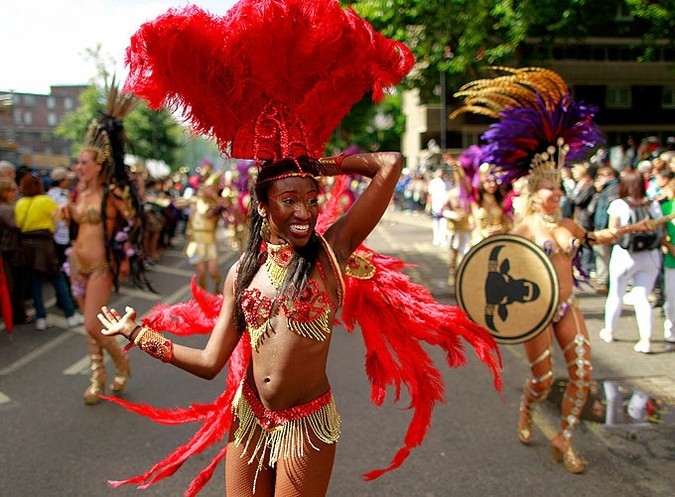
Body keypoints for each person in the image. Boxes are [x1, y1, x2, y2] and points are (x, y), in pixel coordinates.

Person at [94, 1, 502, 495]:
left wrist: (317, 163)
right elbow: (209, 365)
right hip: (248, 418)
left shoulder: (331, 254)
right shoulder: (242, 272)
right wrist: (140, 335)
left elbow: (389, 164)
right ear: (263, 206)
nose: (306, 211)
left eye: (312, 199)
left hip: (304, 428)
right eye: (290, 199)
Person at [452, 66, 643, 474]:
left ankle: (565, 437)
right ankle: (527, 411)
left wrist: (628, 228)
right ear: (535, 191)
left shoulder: (570, 225)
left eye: (559, 188)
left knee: (582, 374)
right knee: (542, 380)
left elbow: (595, 239)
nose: (556, 194)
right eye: (549, 189)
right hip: (534, 311)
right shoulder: (522, 228)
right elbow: (492, 265)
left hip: (567, 305)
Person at [65, 79, 140, 404]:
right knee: (90, 327)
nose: (78, 167)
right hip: (76, 266)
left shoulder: (111, 195)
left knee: (94, 325)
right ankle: (99, 376)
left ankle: (122, 364)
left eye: (84, 163)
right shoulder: (77, 194)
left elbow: (132, 223)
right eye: (77, 162)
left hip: (99, 267)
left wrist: (125, 256)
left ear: (98, 166)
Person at [599, 169, 664, 353]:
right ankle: (646, 339)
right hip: (649, 256)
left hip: (624, 255)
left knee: (616, 294)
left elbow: (613, 231)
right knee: (642, 297)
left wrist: (628, 229)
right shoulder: (653, 204)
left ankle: (609, 331)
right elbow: (660, 228)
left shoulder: (619, 204)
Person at [14, 172, 81, 330]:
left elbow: (17, 224)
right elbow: (58, 223)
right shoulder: (46, 201)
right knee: (58, 279)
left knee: (35, 282)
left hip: (26, 246)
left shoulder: (20, 203)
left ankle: (41, 318)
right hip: (45, 245)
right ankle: (70, 314)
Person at [592, 166, 620, 294]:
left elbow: (609, 209)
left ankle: (606, 283)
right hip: (602, 226)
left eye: (601, 176)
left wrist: (605, 227)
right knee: (603, 256)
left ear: (609, 176)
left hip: (606, 227)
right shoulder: (606, 188)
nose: (599, 179)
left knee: (606, 257)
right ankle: (605, 283)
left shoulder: (613, 188)